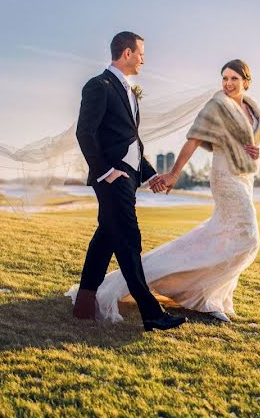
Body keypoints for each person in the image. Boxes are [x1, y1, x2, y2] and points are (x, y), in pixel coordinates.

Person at [67, 59, 260, 323]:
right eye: (225, 78)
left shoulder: (253, 110)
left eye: (234, 79)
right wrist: (172, 174)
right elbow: (193, 141)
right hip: (224, 177)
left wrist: (254, 152)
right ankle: (161, 303)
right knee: (248, 237)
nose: (228, 84)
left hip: (245, 177)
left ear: (246, 82)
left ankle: (210, 297)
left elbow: (246, 143)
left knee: (224, 235)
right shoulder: (217, 106)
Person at [68, 31, 186, 332]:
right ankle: (151, 314)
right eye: (141, 53)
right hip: (112, 178)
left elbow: (130, 141)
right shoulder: (98, 85)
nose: (144, 59)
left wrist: (149, 175)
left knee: (106, 236)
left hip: (128, 177)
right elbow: (85, 132)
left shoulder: (130, 92)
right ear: (127, 53)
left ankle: (84, 304)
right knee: (130, 240)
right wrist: (106, 172)